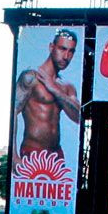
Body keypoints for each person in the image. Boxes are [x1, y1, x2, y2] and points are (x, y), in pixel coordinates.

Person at [13, 29, 81, 160]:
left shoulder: (66, 87)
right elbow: (13, 112)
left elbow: (78, 118)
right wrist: (14, 155)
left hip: (57, 154)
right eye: (62, 48)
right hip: (32, 152)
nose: (66, 56)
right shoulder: (31, 77)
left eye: (71, 51)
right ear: (51, 47)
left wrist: (55, 89)